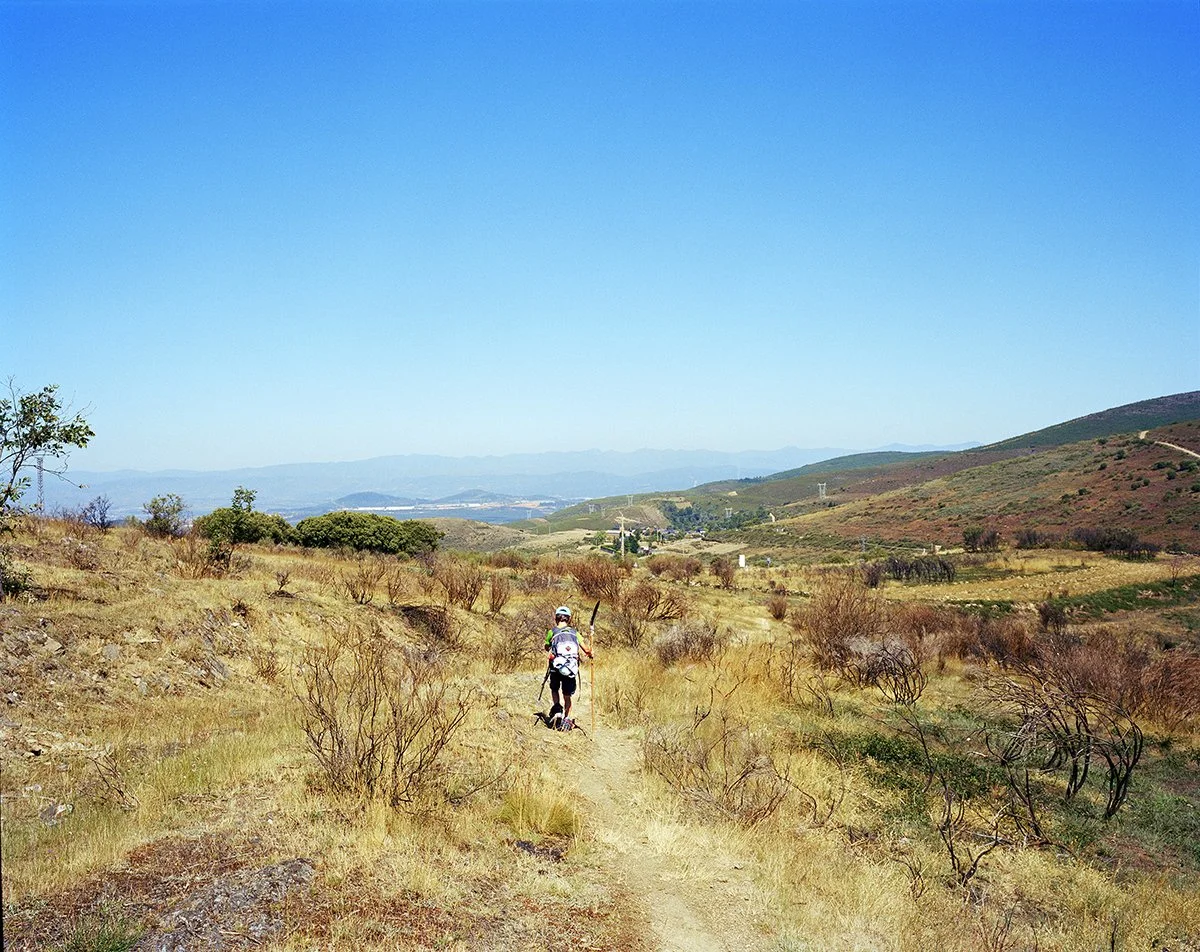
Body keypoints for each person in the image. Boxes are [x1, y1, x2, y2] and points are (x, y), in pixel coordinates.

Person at [543, 605, 593, 729]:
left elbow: (547, 647)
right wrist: (591, 653)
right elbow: (586, 650)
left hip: (556, 667)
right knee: (567, 695)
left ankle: (557, 709)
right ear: (568, 619)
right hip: (571, 668)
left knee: (554, 689)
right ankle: (566, 718)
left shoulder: (552, 632)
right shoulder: (574, 633)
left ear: (556, 618)